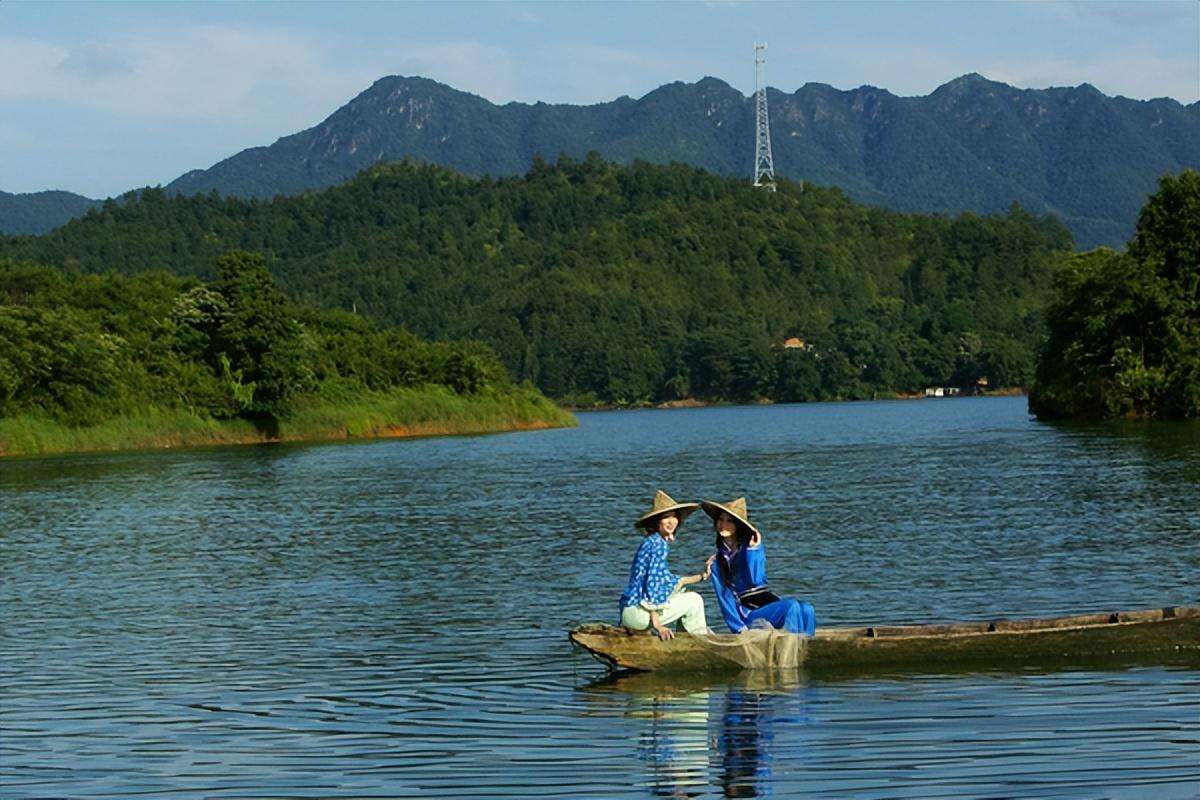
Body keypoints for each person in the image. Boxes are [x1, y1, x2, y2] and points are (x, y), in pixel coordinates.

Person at [702, 497, 816, 636]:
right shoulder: (716, 562)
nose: (723, 524)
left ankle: (807, 650)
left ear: (738, 525)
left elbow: (755, 580)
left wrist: (753, 550)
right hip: (748, 614)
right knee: (791, 606)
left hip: (766, 603)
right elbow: (724, 598)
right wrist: (739, 629)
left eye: (729, 520)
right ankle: (788, 649)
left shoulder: (751, 548)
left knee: (807, 609)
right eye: (720, 519)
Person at [619, 490, 712, 641]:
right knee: (694, 600)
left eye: (674, 516)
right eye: (665, 517)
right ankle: (700, 643)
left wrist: (702, 576)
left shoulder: (650, 541)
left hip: (629, 613)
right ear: (656, 522)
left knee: (683, 594)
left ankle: (685, 640)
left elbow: (669, 581)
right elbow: (651, 588)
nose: (671, 521)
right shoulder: (658, 545)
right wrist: (658, 625)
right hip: (639, 614)